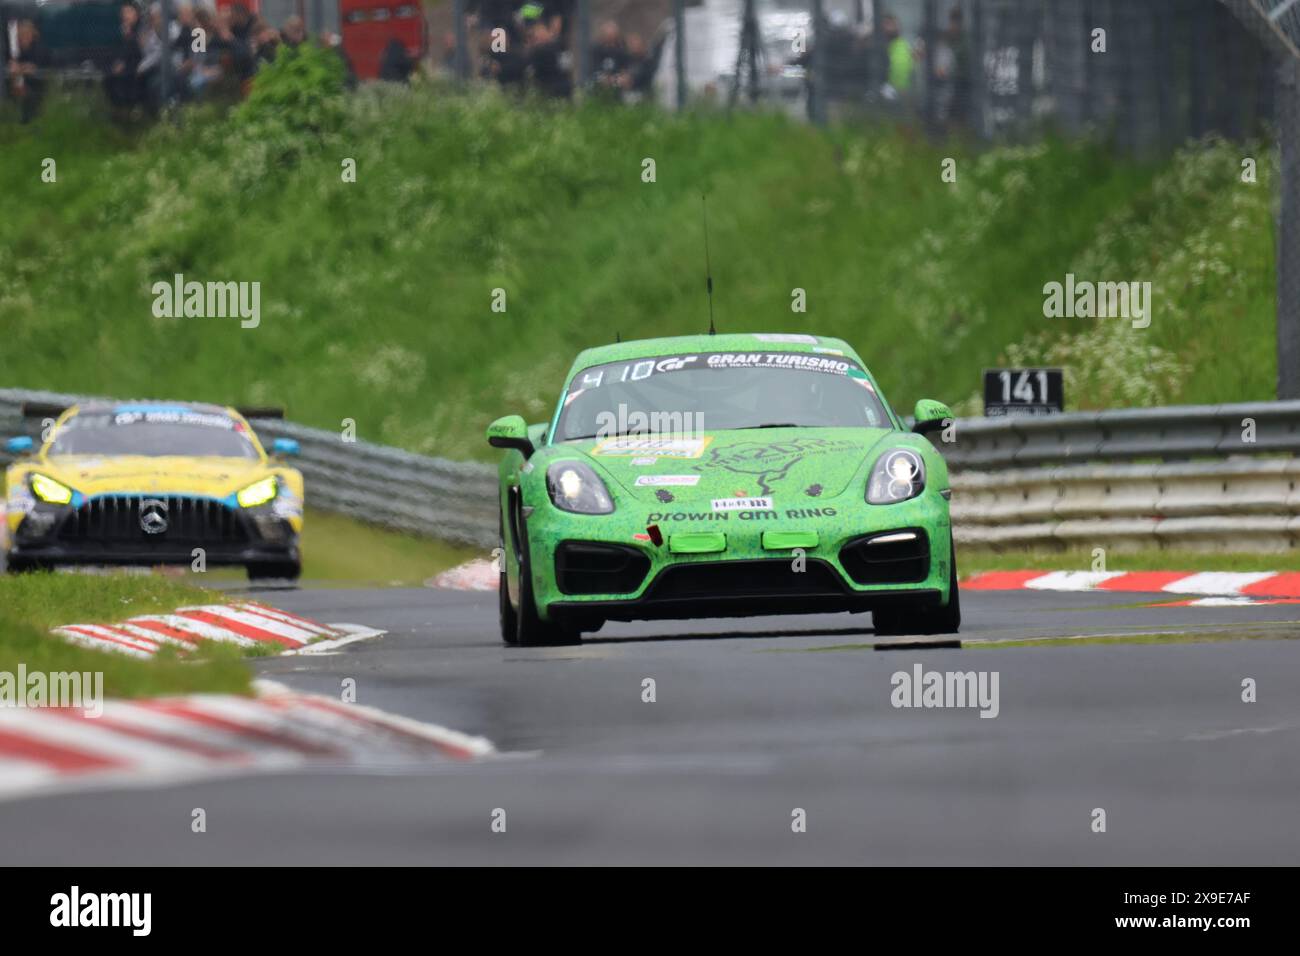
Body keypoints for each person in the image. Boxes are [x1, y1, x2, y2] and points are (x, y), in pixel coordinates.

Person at [7, 19, 51, 123]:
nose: (23, 37)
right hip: (19, 86)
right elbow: (12, 67)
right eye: (21, 35)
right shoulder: (15, 51)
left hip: (38, 86)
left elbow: (32, 68)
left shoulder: (40, 49)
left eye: (27, 34)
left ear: (33, 35)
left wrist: (20, 68)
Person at [104, 3, 144, 111]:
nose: (126, 16)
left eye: (129, 12)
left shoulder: (141, 30)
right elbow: (116, 50)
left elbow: (139, 50)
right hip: (123, 63)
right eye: (124, 13)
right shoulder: (121, 30)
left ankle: (129, 108)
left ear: (137, 14)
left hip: (138, 64)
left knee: (124, 77)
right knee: (109, 77)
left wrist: (123, 62)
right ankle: (118, 109)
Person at [590, 20, 627, 95]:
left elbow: (624, 67)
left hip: (616, 79)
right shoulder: (597, 49)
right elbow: (594, 67)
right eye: (608, 34)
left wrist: (617, 77)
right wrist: (604, 77)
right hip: (599, 78)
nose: (610, 36)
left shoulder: (621, 50)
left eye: (612, 34)